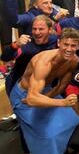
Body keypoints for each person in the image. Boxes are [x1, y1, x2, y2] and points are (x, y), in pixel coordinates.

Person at [9, 28, 79, 154]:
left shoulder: (74, 60)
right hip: (24, 96)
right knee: (47, 136)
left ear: (78, 46)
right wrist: (62, 103)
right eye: (66, 44)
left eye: (73, 45)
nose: (69, 49)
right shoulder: (44, 62)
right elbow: (31, 99)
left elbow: (61, 86)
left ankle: (60, 148)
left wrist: (47, 98)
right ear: (59, 43)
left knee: (72, 119)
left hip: (45, 91)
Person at [0, 15, 58, 154]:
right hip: (20, 88)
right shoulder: (26, 44)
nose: (37, 32)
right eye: (34, 29)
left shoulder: (56, 42)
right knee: (27, 124)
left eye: (41, 29)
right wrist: (15, 45)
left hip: (45, 87)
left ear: (50, 30)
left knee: (45, 121)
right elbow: (5, 57)